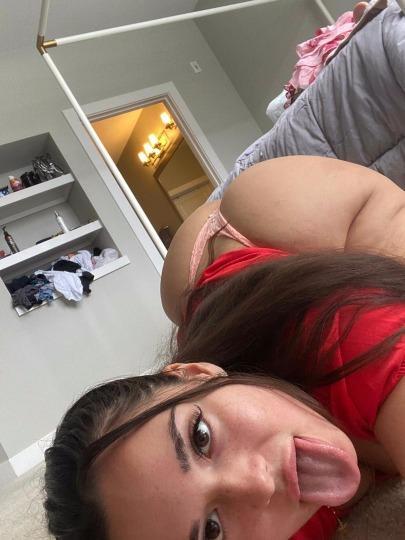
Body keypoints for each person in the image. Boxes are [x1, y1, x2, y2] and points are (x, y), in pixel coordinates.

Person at [44, 157, 405, 539]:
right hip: (207, 324)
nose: (259, 484)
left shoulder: (350, 334)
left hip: (259, 222)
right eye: (211, 529)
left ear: (195, 372)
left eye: (200, 437)